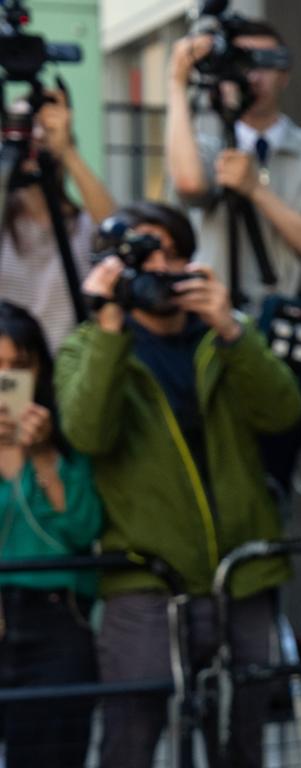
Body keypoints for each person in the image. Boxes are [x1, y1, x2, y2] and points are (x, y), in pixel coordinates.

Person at [55, 201, 301, 768]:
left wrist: (231, 328)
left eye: (170, 250)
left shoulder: (224, 338)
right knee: (132, 736)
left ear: (191, 261)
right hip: (143, 579)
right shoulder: (89, 346)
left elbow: (283, 411)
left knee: (242, 734)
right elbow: (87, 433)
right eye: (142, 254)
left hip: (241, 573)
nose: (159, 266)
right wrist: (109, 326)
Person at [165, 18, 301, 316]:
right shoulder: (204, 145)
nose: (252, 76)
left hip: (276, 319)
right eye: (240, 62)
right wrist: (176, 82)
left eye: (265, 62)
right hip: (207, 317)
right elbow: (189, 186)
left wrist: (255, 189)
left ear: (285, 74)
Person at [0, 301, 102, 768]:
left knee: (52, 752)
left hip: (57, 618)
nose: (6, 381)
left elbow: (82, 528)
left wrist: (42, 457)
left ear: (39, 371)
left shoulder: (64, 438)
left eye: (17, 368)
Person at [0, 88, 117, 352]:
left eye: (45, 132)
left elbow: (115, 226)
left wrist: (66, 150)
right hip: (8, 374)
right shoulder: (6, 223)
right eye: (28, 131)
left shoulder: (82, 225)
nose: (37, 139)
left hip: (67, 370)